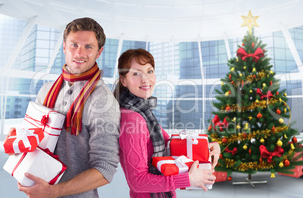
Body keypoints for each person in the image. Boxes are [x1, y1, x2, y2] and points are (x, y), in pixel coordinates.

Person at [17, 17, 120, 198]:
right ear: (64, 47)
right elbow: (33, 140)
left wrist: (53, 192)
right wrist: (19, 142)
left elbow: (105, 169)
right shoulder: (46, 90)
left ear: (99, 52)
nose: (79, 53)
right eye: (74, 45)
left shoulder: (103, 100)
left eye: (88, 47)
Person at [114, 49, 220, 198]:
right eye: (136, 73)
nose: (145, 79)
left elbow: (171, 146)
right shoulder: (133, 118)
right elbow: (137, 181)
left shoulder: (143, 111)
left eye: (149, 71)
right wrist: (188, 179)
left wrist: (207, 146)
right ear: (123, 80)